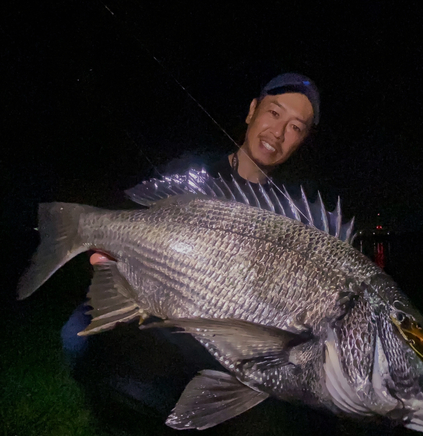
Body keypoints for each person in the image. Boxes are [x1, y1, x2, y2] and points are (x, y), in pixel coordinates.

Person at [63, 72, 320, 409]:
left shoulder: (288, 219)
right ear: (252, 110)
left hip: (207, 328)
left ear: (300, 141)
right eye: (274, 113)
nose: (279, 132)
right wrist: (113, 252)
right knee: (74, 336)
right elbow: (138, 214)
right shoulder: (193, 169)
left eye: (295, 127)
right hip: (151, 291)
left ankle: (158, 410)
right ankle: (103, 402)